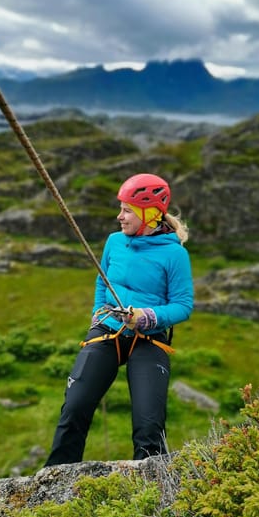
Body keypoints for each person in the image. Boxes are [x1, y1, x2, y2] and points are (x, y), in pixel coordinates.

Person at [45, 172, 194, 465]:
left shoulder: (175, 255)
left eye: (127, 210)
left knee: (149, 425)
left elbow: (182, 305)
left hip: (149, 339)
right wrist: (96, 318)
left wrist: (146, 317)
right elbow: (102, 282)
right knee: (74, 408)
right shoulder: (114, 242)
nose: (119, 216)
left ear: (149, 214)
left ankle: (150, 489)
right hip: (107, 331)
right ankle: (54, 479)